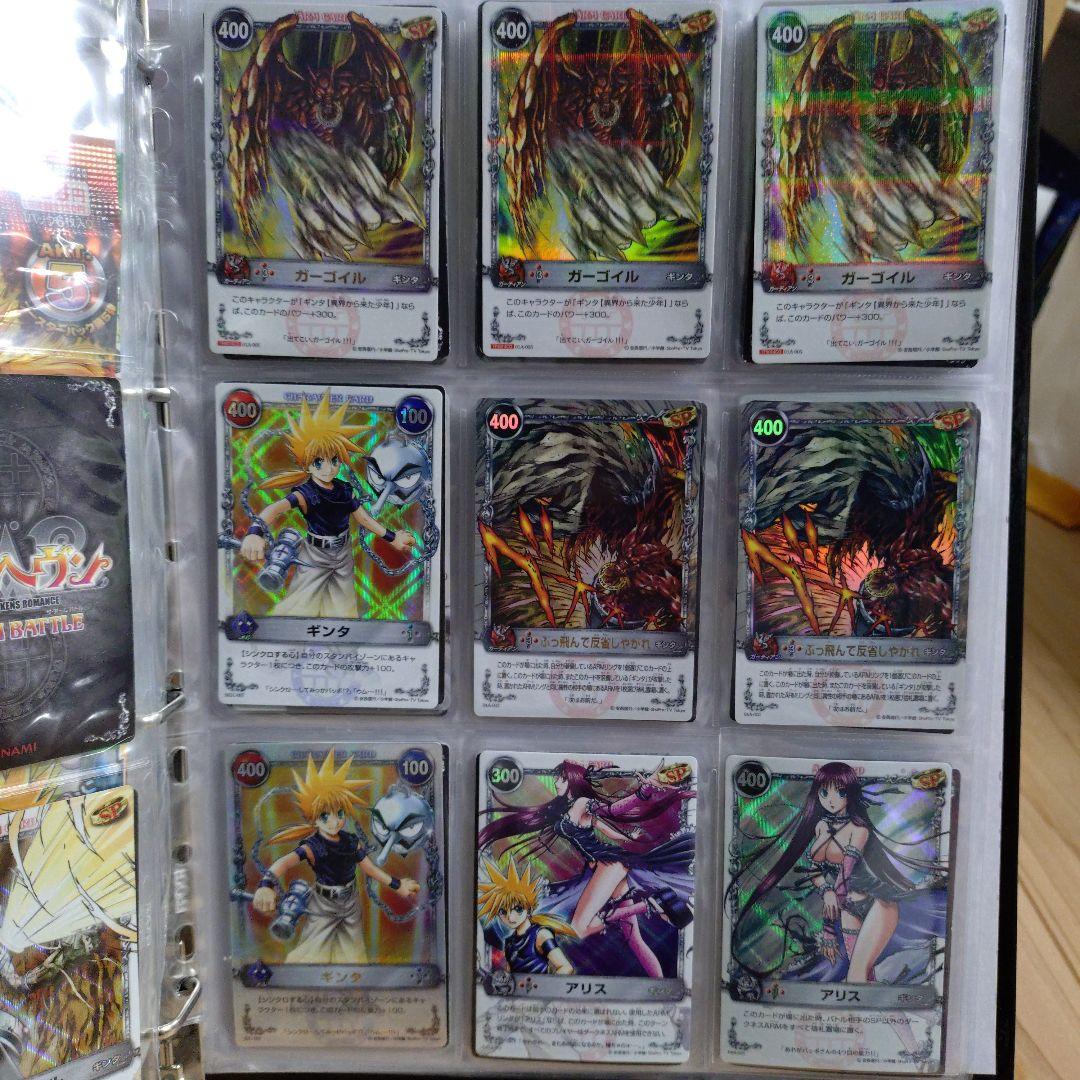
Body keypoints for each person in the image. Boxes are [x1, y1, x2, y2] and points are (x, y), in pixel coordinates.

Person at [251, 750, 419, 964]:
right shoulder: (313, 846)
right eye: (325, 816)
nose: (334, 821)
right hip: (323, 905)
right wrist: (265, 885)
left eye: (339, 813)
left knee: (355, 957)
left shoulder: (351, 842)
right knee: (308, 955)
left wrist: (398, 885)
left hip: (350, 903)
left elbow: (369, 869)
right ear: (313, 818)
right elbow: (283, 863)